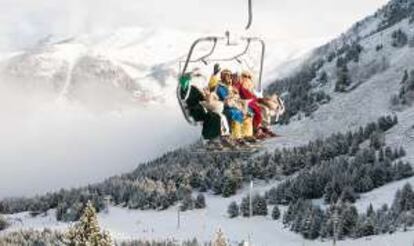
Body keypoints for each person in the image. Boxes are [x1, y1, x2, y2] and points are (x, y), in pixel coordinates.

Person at [215, 69, 246, 144]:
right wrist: (234, 98)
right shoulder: (220, 87)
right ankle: (236, 137)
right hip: (223, 108)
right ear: (223, 77)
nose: (229, 77)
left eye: (230, 76)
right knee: (234, 113)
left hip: (232, 106)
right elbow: (226, 100)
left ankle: (241, 135)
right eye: (227, 76)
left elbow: (237, 97)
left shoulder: (230, 87)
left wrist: (239, 102)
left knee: (242, 113)